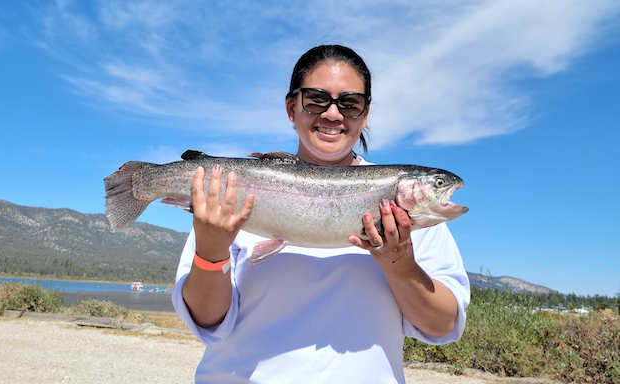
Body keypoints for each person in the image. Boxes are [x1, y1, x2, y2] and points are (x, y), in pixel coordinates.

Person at [172, 45, 470, 383]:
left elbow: (443, 325)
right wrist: (211, 252)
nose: (332, 113)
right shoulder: (233, 191)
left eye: (350, 103)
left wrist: (401, 267)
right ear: (291, 107)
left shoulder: (413, 221)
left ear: (365, 114)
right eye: (316, 99)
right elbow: (206, 321)